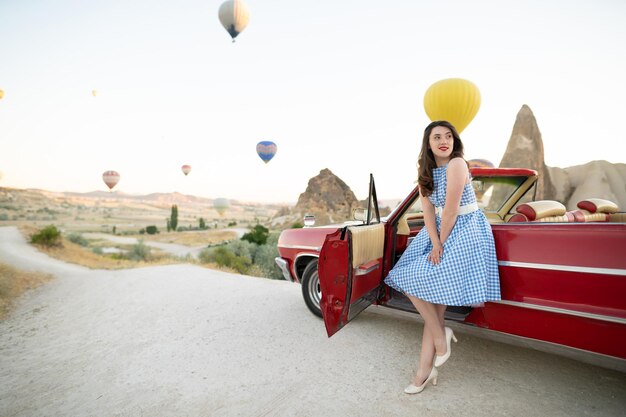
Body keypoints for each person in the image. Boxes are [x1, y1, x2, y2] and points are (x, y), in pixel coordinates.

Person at [384, 120, 501, 394]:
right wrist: (435, 241)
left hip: (466, 229)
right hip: (438, 231)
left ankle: (435, 347)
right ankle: (430, 359)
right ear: (428, 143)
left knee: (416, 281)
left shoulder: (457, 164)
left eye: (448, 136)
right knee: (412, 282)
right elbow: (428, 212)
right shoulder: (426, 171)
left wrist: (440, 244)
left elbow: (450, 209)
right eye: (437, 137)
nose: (443, 141)